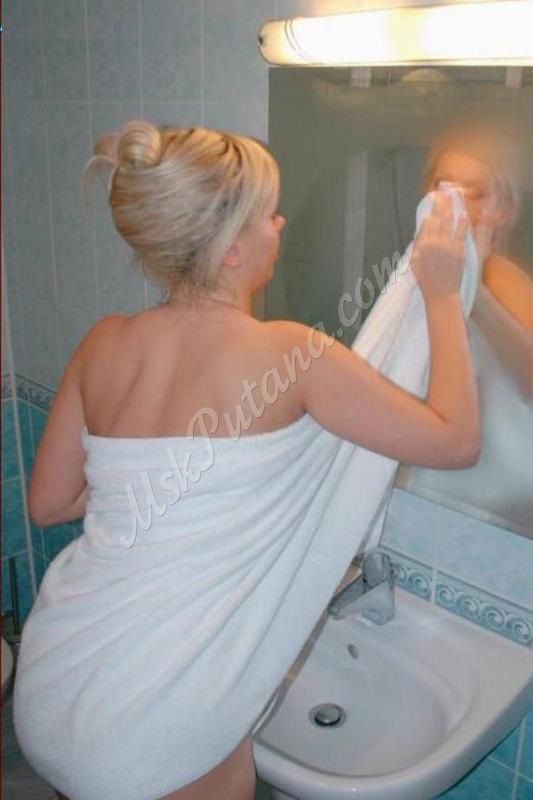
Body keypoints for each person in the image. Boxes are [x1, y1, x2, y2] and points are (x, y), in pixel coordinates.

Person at [14, 121, 479, 800]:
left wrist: (164, 486)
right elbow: (457, 441)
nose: (280, 224)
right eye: (268, 214)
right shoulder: (290, 356)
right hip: (147, 725)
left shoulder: (104, 342)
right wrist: (441, 293)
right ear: (232, 248)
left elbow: (49, 503)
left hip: (56, 678)